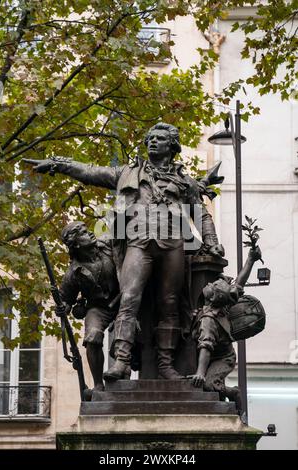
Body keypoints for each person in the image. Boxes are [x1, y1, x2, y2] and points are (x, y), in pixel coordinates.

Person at [24, 122, 224, 381]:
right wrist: (58, 164)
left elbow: (201, 215)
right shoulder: (127, 174)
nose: (152, 141)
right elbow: (90, 171)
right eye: (150, 137)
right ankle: (122, 361)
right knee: (129, 298)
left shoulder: (184, 182)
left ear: (172, 146)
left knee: (170, 303)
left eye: (160, 138)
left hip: (173, 245)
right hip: (139, 244)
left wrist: (211, 240)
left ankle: (165, 365)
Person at [189, 245, 263, 415]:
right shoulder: (225, 302)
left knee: (208, 384)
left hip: (223, 358)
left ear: (214, 297)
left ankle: (234, 393)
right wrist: (251, 260)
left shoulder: (209, 320)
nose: (208, 283)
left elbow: (206, 347)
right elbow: (239, 282)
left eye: (212, 285)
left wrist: (200, 372)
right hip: (214, 355)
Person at [56, 221, 119, 396]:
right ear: (75, 244)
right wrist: (62, 308)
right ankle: (98, 385)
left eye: (87, 229)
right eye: (83, 233)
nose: (90, 233)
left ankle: (123, 367)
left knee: (128, 330)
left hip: (122, 300)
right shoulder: (73, 272)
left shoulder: (108, 244)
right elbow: (65, 300)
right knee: (92, 338)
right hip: (98, 307)